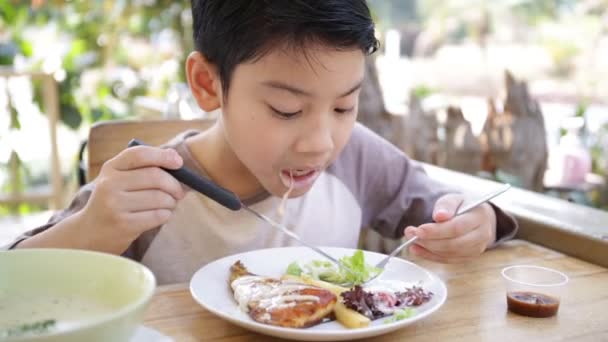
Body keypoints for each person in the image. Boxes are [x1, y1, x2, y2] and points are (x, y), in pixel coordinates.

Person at [3, 0, 517, 285]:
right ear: (208, 84)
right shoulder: (149, 187)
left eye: (343, 106)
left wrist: (477, 222)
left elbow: (451, 210)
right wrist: (93, 229)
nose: (321, 143)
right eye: (287, 110)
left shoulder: (357, 156)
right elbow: (16, 284)